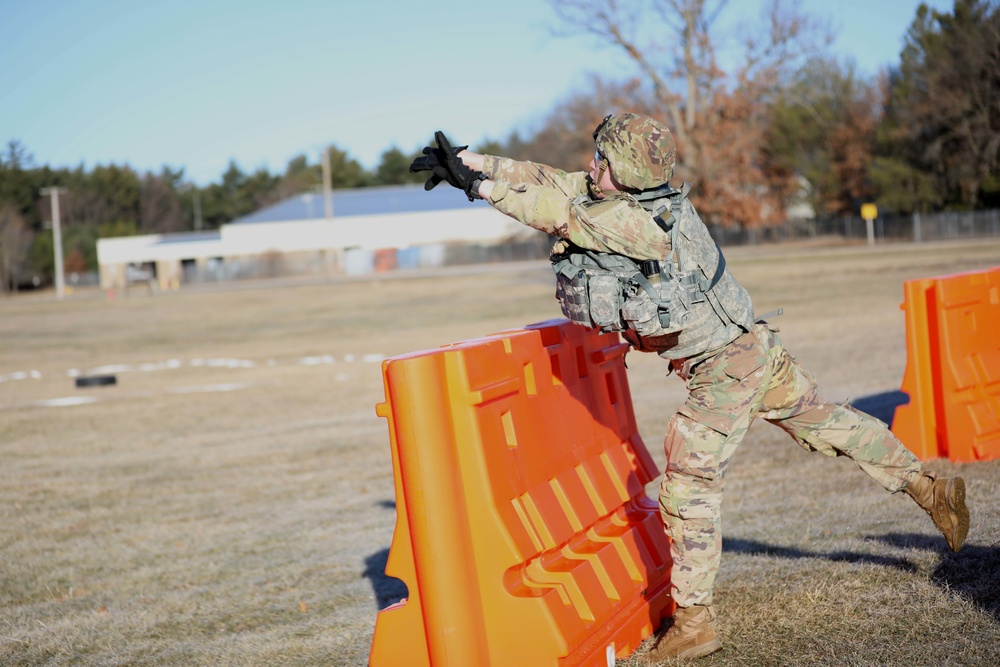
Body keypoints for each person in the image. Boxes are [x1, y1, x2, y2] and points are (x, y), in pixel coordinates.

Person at [409, 114, 971, 663]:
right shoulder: (641, 198)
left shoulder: (637, 223)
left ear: (623, 170)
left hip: (724, 370)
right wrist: (474, 159)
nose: (590, 163)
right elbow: (556, 180)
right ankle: (929, 490)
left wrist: (481, 188)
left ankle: (695, 624)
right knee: (831, 423)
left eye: (601, 158)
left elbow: (554, 209)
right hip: (752, 348)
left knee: (688, 489)